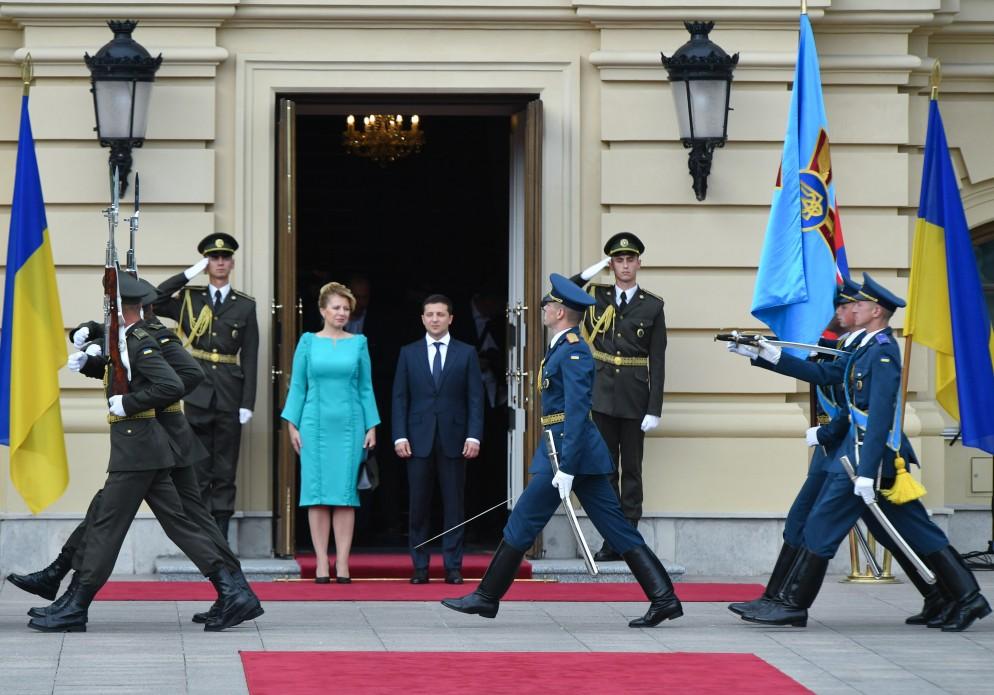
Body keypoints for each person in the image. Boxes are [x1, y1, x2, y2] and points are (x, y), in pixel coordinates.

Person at [726, 273, 991, 631]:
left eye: (857, 305)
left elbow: (879, 416)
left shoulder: (882, 352)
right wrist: (768, 355)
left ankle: (793, 604)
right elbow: (826, 374)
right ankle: (954, 597)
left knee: (821, 526)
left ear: (877, 312)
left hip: (866, 457)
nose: (848, 309)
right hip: (856, 455)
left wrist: (867, 471)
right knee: (910, 531)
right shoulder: (862, 348)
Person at [441, 274, 682, 627]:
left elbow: (576, 412)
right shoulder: (562, 346)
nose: (543, 309)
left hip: (568, 453)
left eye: (548, 305)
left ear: (560, 312)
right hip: (567, 452)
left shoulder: (574, 351)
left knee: (523, 521)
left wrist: (566, 467)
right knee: (616, 529)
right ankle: (665, 599)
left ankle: (487, 596)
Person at [26, 275, 257, 632]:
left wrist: (131, 404)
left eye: (109, 307)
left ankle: (74, 599)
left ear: (122, 308)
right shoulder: (128, 339)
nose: (105, 313)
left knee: (111, 523)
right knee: (172, 521)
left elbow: (174, 382)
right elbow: (127, 377)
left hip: (144, 446)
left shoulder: (144, 339)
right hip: (148, 445)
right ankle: (232, 590)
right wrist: (92, 364)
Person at [154, 232, 259, 539]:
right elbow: (155, 299)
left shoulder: (245, 306)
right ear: (207, 262)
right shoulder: (190, 299)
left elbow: (250, 356)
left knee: (225, 467)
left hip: (230, 393)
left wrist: (247, 403)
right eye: (214, 258)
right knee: (197, 467)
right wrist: (189, 273)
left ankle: (221, 536)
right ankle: (200, 535)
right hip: (196, 393)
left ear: (232, 263)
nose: (220, 262)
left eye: (225, 258)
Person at [570, 232, 666, 561]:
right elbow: (560, 296)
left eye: (630, 259)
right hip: (602, 397)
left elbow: (658, 359)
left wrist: (655, 407)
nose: (625, 265)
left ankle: (630, 538)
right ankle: (612, 538)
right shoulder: (597, 295)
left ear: (639, 263)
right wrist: (590, 272)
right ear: (612, 264)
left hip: (635, 399)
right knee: (606, 470)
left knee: (633, 470)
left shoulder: (652, 305)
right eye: (618, 260)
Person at [281, 282, 379, 583]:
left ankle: (344, 563)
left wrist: (372, 425)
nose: (342, 313)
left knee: (345, 495)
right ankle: (322, 562)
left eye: (346, 309)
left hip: (349, 425)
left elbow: (365, 387)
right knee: (317, 495)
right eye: (336, 307)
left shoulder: (358, 343)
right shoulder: (308, 342)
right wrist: (291, 424)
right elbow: (298, 386)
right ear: (323, 310)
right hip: (313, 424)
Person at [392, 294, 484, 584]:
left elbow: (475, 399)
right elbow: (399, 398)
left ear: (450, 318)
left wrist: (474, 436)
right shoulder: (408, 352)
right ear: (422, 318)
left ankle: (452, 566)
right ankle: (419, 566)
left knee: (454, 505)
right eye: (430, 314)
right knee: (418, 506)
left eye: (440, 314)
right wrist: (399, 436)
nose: (435, 319)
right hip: (418, 438)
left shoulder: (466, 352)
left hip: (455, 438)